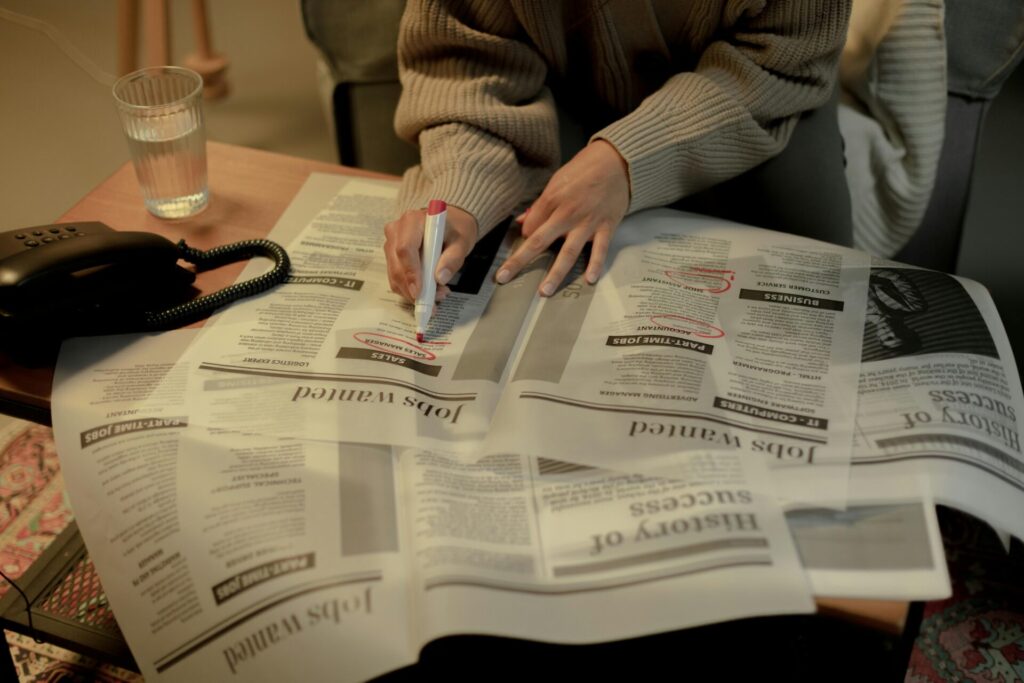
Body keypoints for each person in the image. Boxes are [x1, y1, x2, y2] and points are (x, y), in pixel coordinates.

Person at [383, 0, 853, 305]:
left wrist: (629, 159)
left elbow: (782, 59)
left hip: (763, 101)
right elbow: (466, 65)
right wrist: (460, 192)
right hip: (558, 95)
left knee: (819, 295)